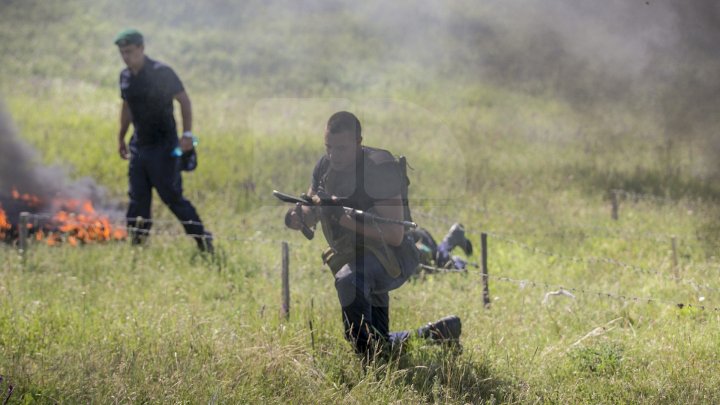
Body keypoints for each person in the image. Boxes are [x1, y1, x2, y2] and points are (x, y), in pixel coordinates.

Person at [285, 111, 461, 357]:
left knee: (348, 282)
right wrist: (301, 216)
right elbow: (312, 203)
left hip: (394, 257)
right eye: (329, 147)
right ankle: (441, 332)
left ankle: (369, 364)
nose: (334, 155)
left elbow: (394, 235)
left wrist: (345, 220)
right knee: (380, 341)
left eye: (342, 148)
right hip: (358, 256)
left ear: (359, 142)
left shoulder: (380, 169)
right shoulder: (325, 166)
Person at [114, 28, 212, 253]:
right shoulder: (125, 76)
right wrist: (120, 137)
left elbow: (184, 101)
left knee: (172, 196)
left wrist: (187, 135)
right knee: (137, 199)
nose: (126, 56)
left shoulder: (162, 72)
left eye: (129, 51)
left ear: (141, 48)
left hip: (164, 147)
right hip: (139, 147)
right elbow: (126, 107)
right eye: (122, 52)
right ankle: (137, 248)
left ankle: (202, 239)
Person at [409, 223, 475, 271]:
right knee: (437, 255)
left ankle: (457, 266)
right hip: (414, 235)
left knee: (437, 257)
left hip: (415, 240)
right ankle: (452, 238)